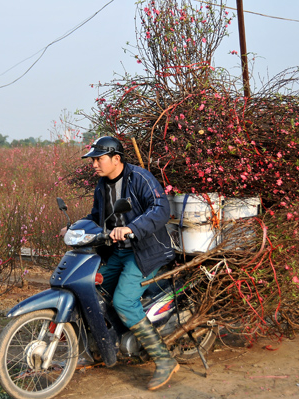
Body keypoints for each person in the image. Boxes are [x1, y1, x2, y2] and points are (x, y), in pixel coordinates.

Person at [81, 136, 178, 391]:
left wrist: (131, 229)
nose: (94, 165)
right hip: (119, 253)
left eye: (98, 159)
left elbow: (160, 208)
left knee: (124, 301)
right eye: (93, 160)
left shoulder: (140, 178)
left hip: (147, 251)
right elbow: (95, 217)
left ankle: (165, 360)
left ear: (116, 158)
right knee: (94, 289)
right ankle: (112, 341)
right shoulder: (102, 186)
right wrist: (74, 228)